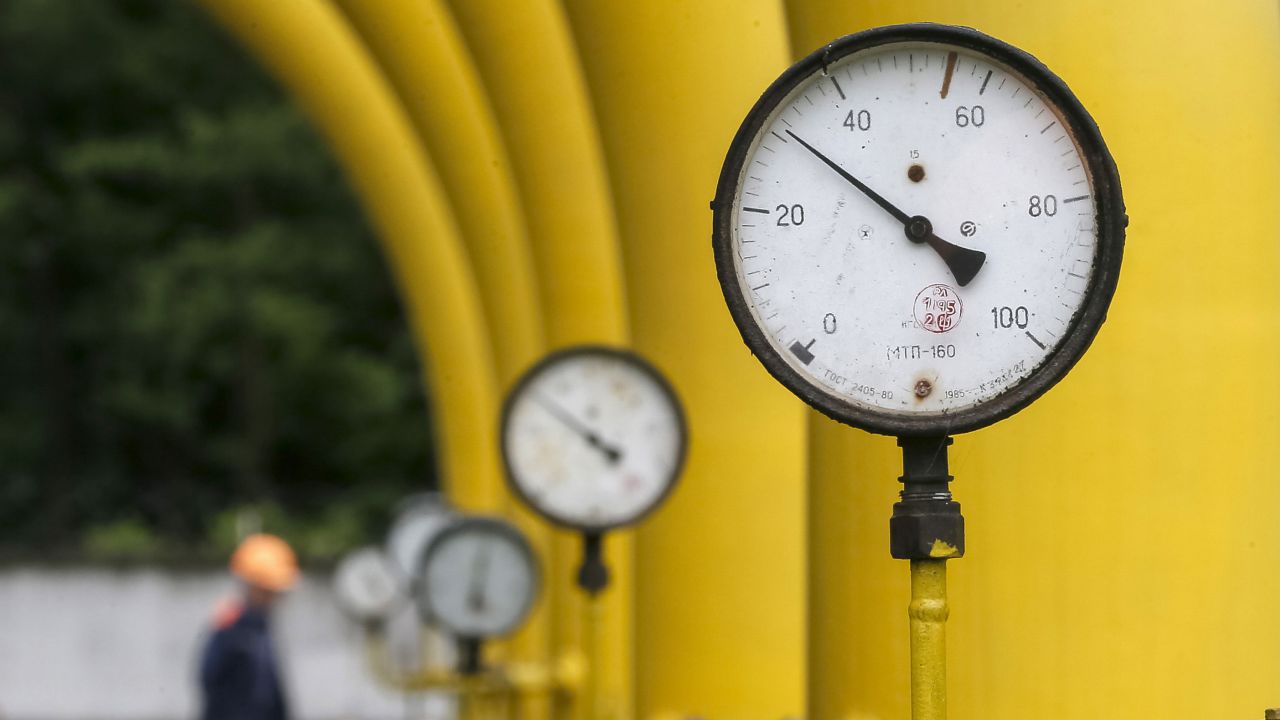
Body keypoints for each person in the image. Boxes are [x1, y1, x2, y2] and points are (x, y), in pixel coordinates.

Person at [198, 533, 299, 720]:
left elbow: (271, 696)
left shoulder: (261, 628)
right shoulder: (231, 628)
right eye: (269, 592)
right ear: (253, 587)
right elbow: (211, 684)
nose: (274, 599)